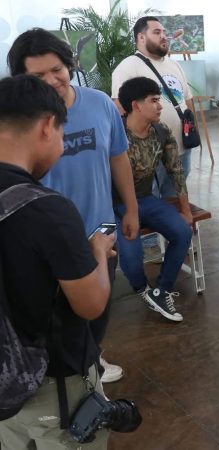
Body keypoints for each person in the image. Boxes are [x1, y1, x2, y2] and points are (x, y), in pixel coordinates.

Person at [8, 27, 136, 384]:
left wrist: (131, 208)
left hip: (101, 231)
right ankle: (61, 380)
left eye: (57, 69)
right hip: (45, 240)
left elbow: (119, 157)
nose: (52, 80)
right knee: (53, 318)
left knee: (98, 311)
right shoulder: (19, 124)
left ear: (69, 65)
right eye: (38, 76)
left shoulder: (99, 104)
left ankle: (92, 359)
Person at [0, 74, 116, 449]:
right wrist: (97, 250)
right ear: (49, 125)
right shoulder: (48, 210)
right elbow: (90, 303)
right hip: (53, 382)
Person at [115, 77, 193, 322]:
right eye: (154, 101)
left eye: (159, 100)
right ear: (136, 105)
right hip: (114, 204)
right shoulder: (114, 133)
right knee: (130, 257)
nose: (160, 106)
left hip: (146, 198)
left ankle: (162, 290)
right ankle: (142, 289)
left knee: (182, 231)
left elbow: (175, 169)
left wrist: (185, 208)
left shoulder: (161, 130)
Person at [112, 16, 195, 199]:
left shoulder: (174, 65)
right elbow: (120, 109)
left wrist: (191, 127)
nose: (164, 36)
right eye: (157, 32)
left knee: (174, 198)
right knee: (152, 200)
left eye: (164, 32)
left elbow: (187, 100)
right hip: (150, 154)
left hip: (180, 148)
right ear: (141, 37)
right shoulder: (127, 68)